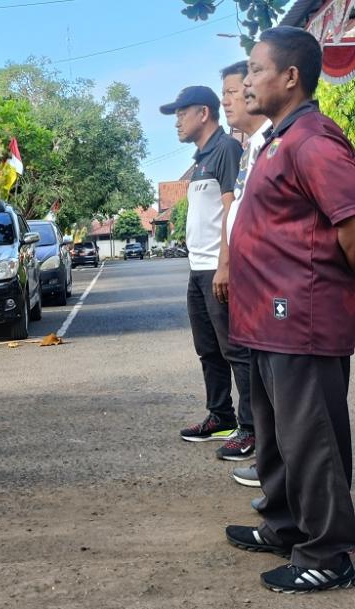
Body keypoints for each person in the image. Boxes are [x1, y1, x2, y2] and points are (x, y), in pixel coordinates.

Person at [224, 26, 355, 594]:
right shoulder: (280, 138)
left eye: (255, 69)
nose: (246, 80)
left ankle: (331, 551)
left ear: (291, 77)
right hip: (266, 323)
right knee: (278, 436)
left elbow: (350, 224)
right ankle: (285, 525)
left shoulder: (313, 140)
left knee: (313, 439)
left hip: (299, 318)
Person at [160, 86, 250, 458]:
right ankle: (221, 416)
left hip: (218, 267)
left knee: (235, 350)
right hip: (197, 268)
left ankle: (252, 427)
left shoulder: (226, 149)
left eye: (181, 114)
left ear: (203, 113)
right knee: (208, 348)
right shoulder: (200, 158)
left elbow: (233, 210)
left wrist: (225, 265)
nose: (177, 122)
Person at [220, 60, 274, 487]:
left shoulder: (298, 141)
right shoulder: (255, 147)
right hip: (255, 287)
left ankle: (323, 544)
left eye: (236, 89)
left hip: (281, 295)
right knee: (267, 393)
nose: (232, 98)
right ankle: (278, 494)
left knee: (296, 411)